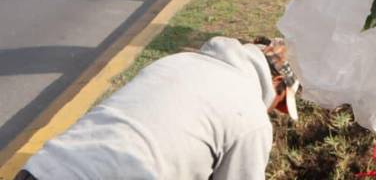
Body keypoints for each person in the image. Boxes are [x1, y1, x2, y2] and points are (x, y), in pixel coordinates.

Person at [17, 37, 299, 180]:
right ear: (277, 81)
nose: (273, 111)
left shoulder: (178, 62)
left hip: (42, 169)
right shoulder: (250, 116)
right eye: (279, 104)